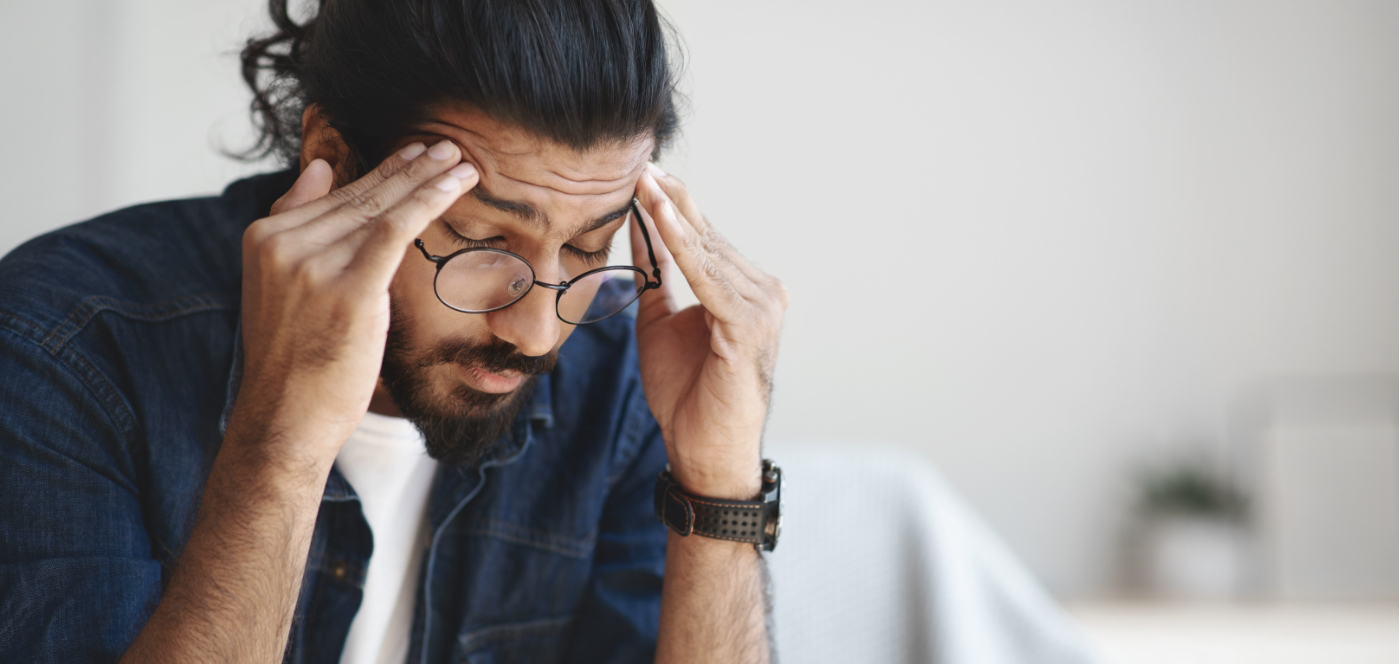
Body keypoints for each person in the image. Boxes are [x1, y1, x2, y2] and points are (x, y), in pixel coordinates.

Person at [0, 0, 787, 662]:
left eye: (588, 246)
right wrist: (284, 440)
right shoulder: (59, 350)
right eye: (483, 241)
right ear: (333, 162)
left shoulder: (620, 383)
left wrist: (717, 481)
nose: (539, 330)